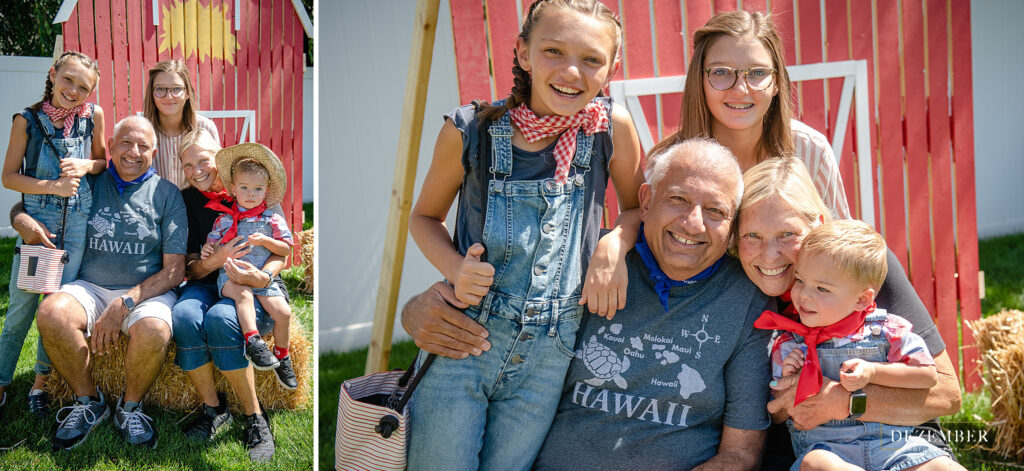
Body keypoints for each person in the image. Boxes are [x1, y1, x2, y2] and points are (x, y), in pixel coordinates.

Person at [405, 0, 644, 468]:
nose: (572, 70)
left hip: (551, 354)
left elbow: (638, 209)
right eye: (553, 50)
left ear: (611, 68)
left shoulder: (609, 129)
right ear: (523, 53)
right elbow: (423, 218)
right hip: (465, 338)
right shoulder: (471, 129)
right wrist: (455, 267)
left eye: (592, 58)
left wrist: (614, 242)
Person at [531, 138, 770, 469]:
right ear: (645, 201)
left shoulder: (746, 298)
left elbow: (740, 454)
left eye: (715, 211)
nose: (693, 223)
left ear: (732, 228)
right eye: (678, 199)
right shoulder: (588, 263)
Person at [732, 157, 961, 469]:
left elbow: (946, 394)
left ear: (819, 225)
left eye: (788, 234)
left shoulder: (859, 268)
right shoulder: (730, 289)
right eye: (751, 235)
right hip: (812, 452)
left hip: (897, 441)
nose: (770, 254)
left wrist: (844, 400)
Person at [28, 116, 185, 450]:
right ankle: (89, 402)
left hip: (145, 292)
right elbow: (35, 203)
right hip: (90, 285)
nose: (134, 151)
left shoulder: (168, 194)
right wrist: (20, 219)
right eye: (126, 142)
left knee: (155, 330)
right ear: (110, 147)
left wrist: (125, 302)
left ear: (154, 153)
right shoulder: (88, 184)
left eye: (144, 145)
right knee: (52, 313)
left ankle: (130, 408)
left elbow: (174, 272)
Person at [649, 11, 850, 219]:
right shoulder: (665, 163)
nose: (741, 90)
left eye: (757, 73)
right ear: (698, 81)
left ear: (777, 83)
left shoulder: (810, 150)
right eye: (721, 72)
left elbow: (842, 242)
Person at [0, 51, 107, 417]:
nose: (74, 91)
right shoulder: (26, 120)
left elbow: (102, 162)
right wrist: (52, 186)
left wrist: (85, 165)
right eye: (68, 80)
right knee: (21, 309)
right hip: (38, 228)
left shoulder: (94, 118)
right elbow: (9, 176)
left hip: (77, 228)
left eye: (83, 87)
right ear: (53, 74)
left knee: (56, 308)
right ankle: (1, 381)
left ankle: (40, 384)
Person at [170, 131, 282, 461]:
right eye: (187, 164)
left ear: (219, 159)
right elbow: (190, 268)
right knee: (185, 316)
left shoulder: (255, 188)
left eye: (202, 160)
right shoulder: (185, 200)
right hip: (207, 282)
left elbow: (282, 253)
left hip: (251, 285)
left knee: (221, 318)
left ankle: (254, 417)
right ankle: (214, 408)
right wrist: (212, 261)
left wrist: (262, 276)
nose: (196, 170)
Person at [201, 143, 296, 389]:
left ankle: (283, 356)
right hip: (231, 277)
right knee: (242, 294)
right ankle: (253, 341)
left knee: (283, 312)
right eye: (244, 187)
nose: (250, 193)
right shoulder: (224, 219)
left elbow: (286, 249)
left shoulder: (272, 219)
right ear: (233, 189)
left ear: (266, 191)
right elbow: (211, 245)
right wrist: (207, 250)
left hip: (263, 278)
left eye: (257, 189)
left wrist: (266, 240)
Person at [143, 59, 220, 188]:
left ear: (188, 93)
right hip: (155, 206)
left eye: (176, 89)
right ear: (152, 94)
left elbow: (217, 174)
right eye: (160, 89)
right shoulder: (142, 131)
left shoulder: (206, 128)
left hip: (196, 205)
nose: (168, 96)